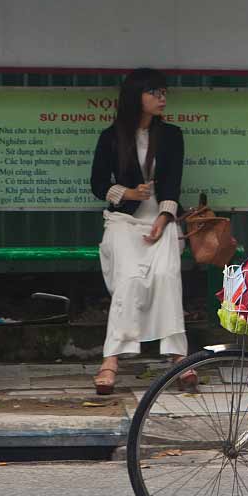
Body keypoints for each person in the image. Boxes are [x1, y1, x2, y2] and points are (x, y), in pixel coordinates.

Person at [89, 68, 190, 394]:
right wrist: (128, 194)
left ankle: (178, 356)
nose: (162, 98)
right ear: (136, 97)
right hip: (123, 222)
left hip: (161, 220)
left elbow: (173, 182)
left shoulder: (172, 135)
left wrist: (164, 217)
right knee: (129, 280)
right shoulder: (112, 136)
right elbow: (97, 184)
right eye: (154, 92)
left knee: (167, 276)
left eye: (164, 92)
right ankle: (112, 359)